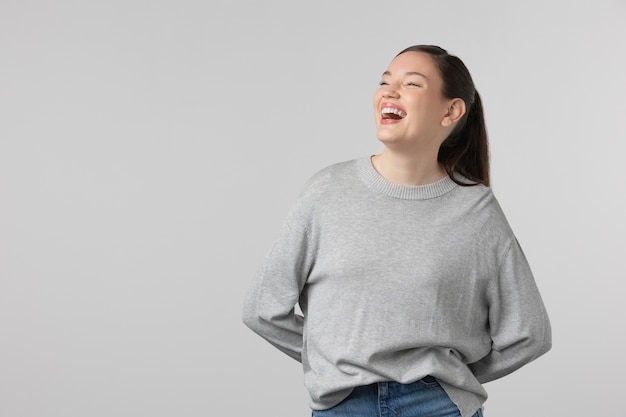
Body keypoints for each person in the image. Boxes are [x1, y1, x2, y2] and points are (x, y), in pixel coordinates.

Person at [242, 44, 552, 417]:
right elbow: (262, 309)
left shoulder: (476, 211)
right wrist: (336, 362)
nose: (389, 91)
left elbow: (529, 333)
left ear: (451, 111)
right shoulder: (326, 192)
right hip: (343, 407)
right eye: (385, 81)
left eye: (411, 84)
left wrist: (448, 376)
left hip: (438, 407)